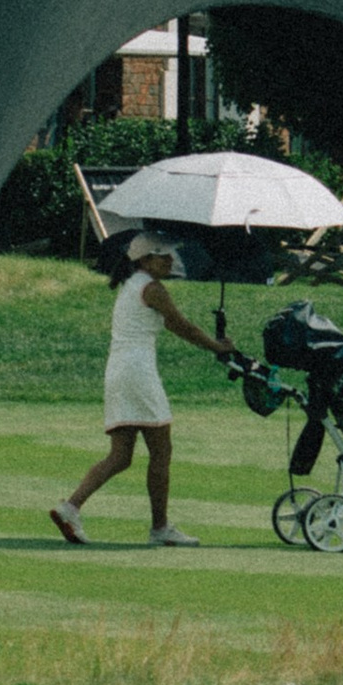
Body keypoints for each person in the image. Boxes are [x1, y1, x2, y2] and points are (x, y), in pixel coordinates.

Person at [49, 234, 227, 549]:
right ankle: (160, 528)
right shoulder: (152, 288)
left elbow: (172, 325)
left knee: (121, 456)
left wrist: (215, 347)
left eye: (170, 254)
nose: (169, 260)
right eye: (162, 255)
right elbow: (182, 324)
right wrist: (216, 347)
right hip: (137, 374)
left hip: (120, 372)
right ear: (143, 260)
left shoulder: (134, 286)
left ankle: (70, 508)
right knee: (161, 451)